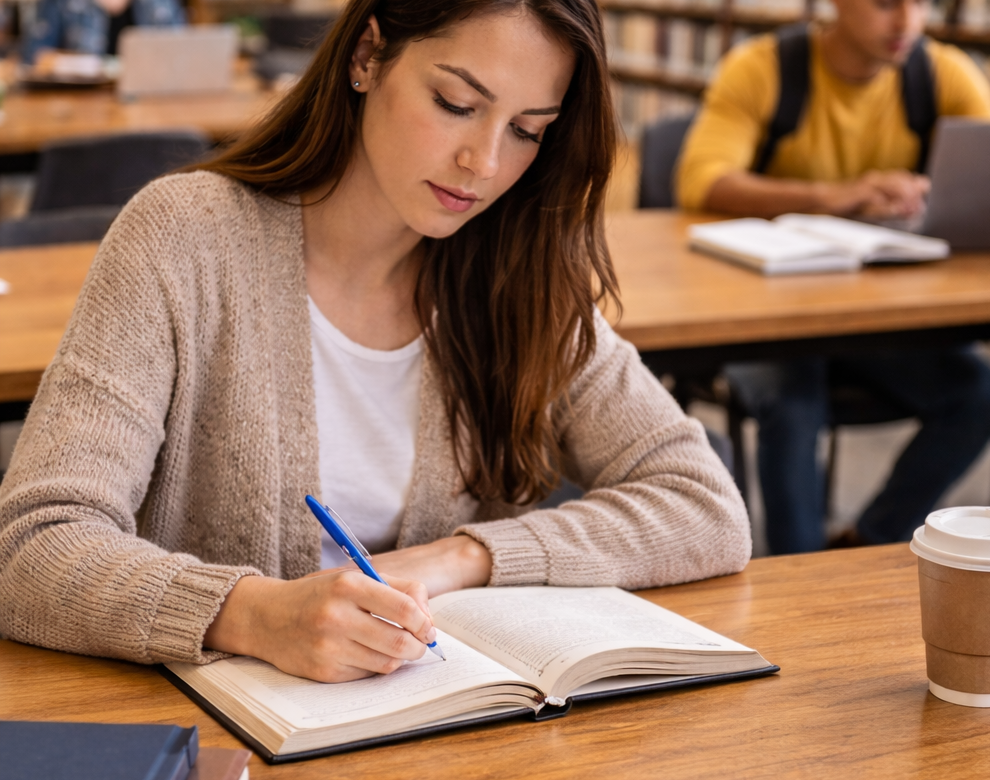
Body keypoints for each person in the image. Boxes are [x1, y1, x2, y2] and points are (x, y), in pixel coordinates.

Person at [0, 0, 750, 684]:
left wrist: (465, 557)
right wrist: (255, 614)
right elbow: (31, 547)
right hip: (212, 737)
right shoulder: (185, 238)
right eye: (456, 103)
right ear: (366, 56)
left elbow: (703, 506)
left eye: (527, 131)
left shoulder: (517, 278)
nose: (485, 164)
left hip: (438, 740)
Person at [676, 0, 990, 554]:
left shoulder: (941, 73)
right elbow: (699, 181)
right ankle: (798, 581)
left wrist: (939, 193)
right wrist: (833, 196)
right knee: (793, 399)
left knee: (981, 393)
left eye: (920, 3)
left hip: (873, 319)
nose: (907, 22)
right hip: (764, 315)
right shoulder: (763, 68)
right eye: (884, 4)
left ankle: (864, 543)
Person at [22, 0, 185, 64]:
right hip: (79, 105)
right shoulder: (58, 3)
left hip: (149, 103)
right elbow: (33, 56)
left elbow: (184, 54)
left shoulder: (161, 4)